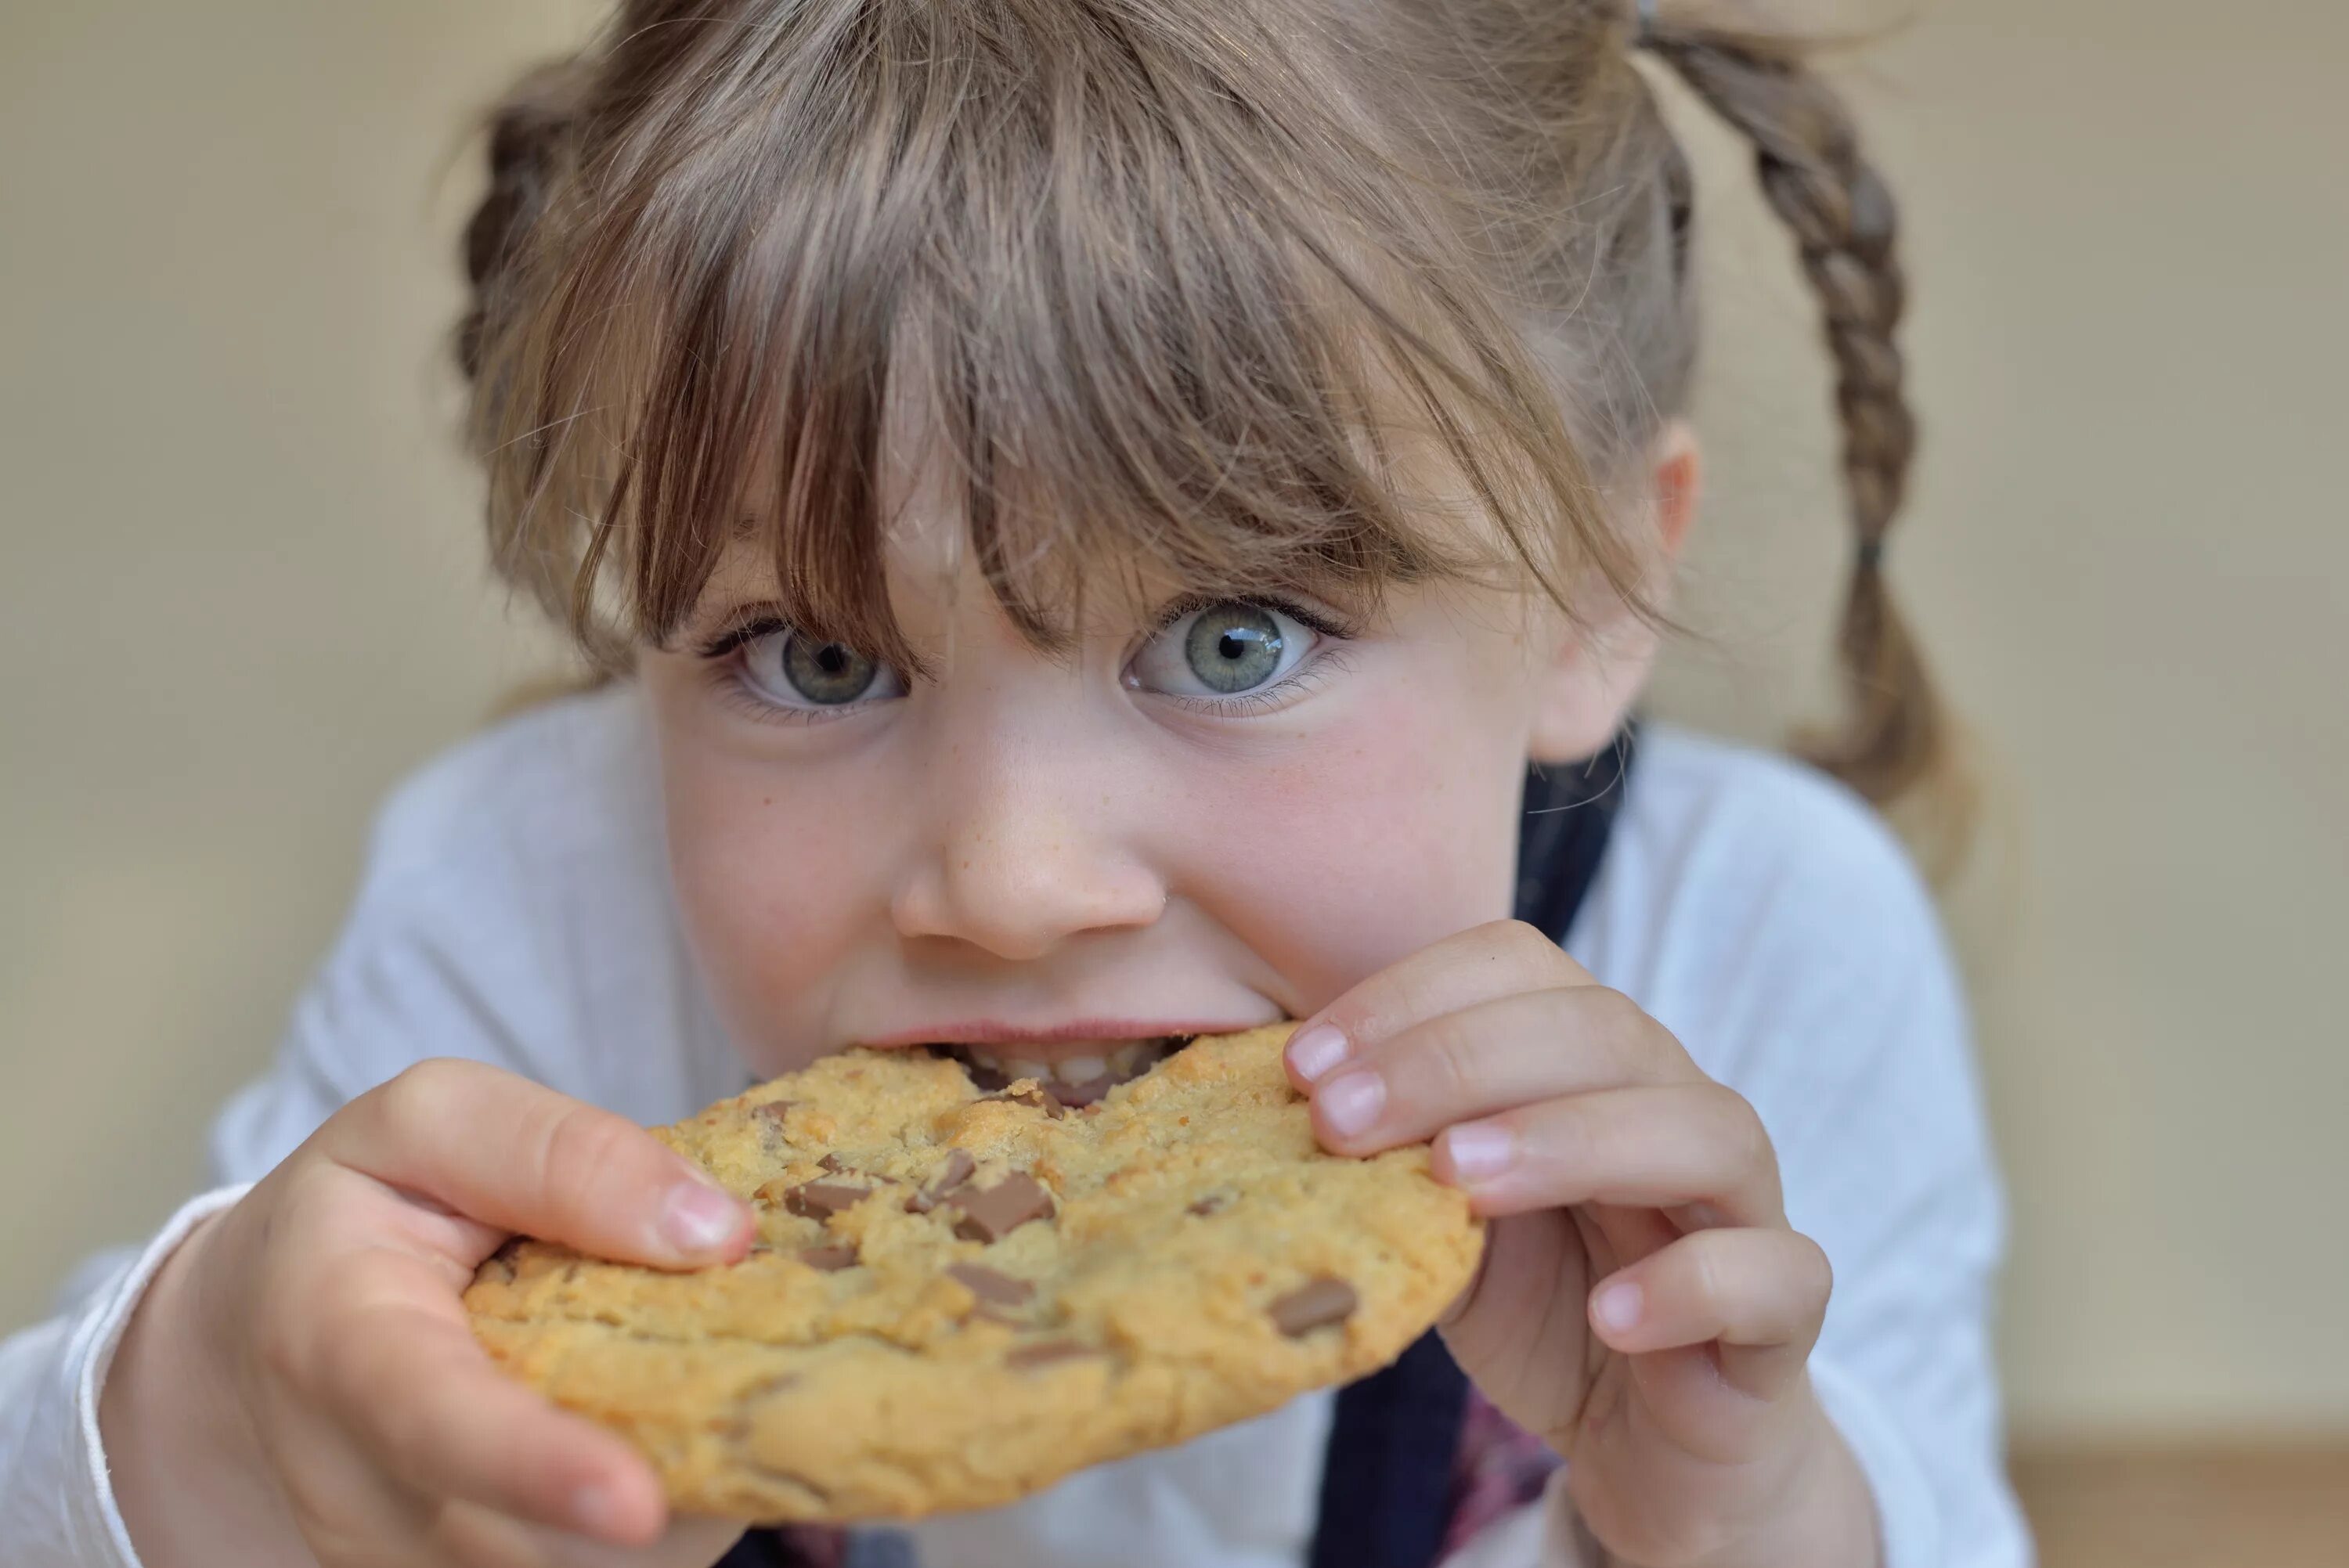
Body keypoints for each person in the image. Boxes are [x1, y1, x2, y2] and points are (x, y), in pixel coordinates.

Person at [0, 1, 2031, 1564]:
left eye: (1234, 639)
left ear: (1599, 580)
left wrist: (1737, 1506)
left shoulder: (1761, 949)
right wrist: (214, 1425)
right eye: (815, 658)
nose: (1012, 878)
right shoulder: (531, 905)